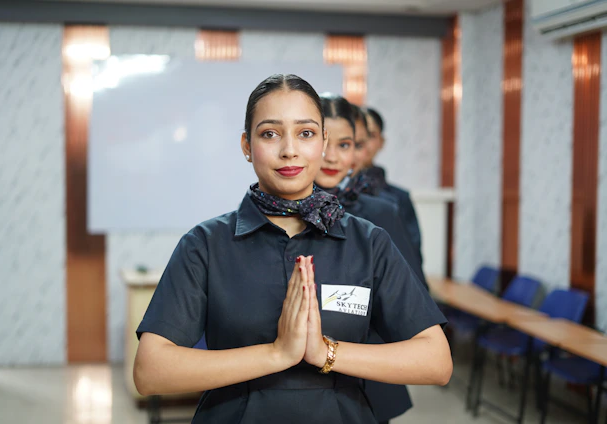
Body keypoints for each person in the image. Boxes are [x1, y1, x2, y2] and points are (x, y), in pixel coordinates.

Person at [133, 74, 452, 424]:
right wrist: (276, 354)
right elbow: (151, 371)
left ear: (323, 142)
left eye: (306, 133)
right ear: (246, 144)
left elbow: (436, 361)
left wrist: (323, 352)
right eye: (270, 133)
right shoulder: (206, 244)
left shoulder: (368, 241)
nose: (289, 149)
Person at [314, 93, 427, 423]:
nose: (331, 156)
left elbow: (410, 298)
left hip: (366, 374)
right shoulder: (279, 213)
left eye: (346, 145)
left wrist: (339, 299)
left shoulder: (380, 213)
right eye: (321, 141)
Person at [353, 106, 423, 265]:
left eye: (370, 135)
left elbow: (412, 258)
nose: (361, 142)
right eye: (353, 137)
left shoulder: (398, 199)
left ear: (381, 142)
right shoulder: (323, 197)